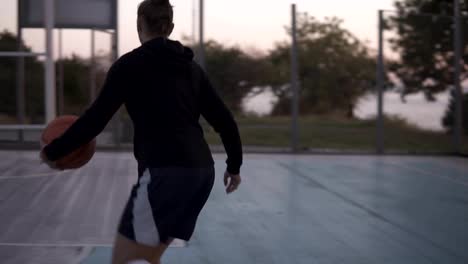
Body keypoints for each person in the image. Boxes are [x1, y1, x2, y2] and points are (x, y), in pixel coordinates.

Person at [40, 0, 243, 263]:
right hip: (201, 174)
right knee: (146, 256)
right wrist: (234, 166)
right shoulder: (191, 69)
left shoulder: (130, 66)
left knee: (127, 260)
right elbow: (225, 120)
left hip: (165, 175)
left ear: (139, 24)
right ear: (170, 27)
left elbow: (95, 119)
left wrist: (54, 152)